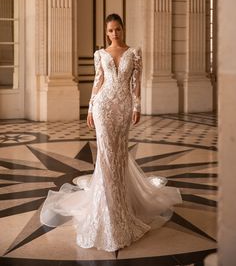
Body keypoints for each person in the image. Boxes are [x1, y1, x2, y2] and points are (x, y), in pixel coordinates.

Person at [40, 13, 182, 252]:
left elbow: (135, 84)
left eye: (117, 29)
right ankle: (106, 209)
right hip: (104, 107)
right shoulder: (100, 54)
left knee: (118, 156)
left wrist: (137, 107)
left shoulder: (134, 53)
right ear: (106, 33)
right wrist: (90, 108)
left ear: (123, 29)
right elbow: (98, 81)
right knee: (106, 156)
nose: (114, 34)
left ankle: (121, 205)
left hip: (124, 107)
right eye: (110, 31)